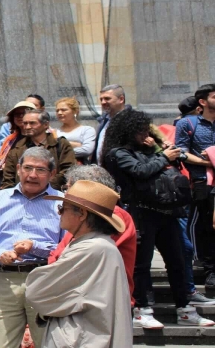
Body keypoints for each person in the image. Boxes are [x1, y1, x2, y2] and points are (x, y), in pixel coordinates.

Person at [103, 109, 215, 328]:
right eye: (141, 130)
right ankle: (142, 309)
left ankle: (185, 308)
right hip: (140, 213)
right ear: (129, 131)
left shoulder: (150, 150)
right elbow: (140, 171)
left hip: (166, 212)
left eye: (147, 129)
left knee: (178, 261)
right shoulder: (117, 153)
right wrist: (163, 157)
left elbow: (170, 173)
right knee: (141, 264)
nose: (145, 133)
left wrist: (159, 149)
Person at [25, 180, 132, 348]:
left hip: (83, 339)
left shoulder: (91, 249)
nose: (59, 213)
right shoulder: (98, 246)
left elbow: (37, 290)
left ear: (81, 213)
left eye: (62, 208)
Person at [0, 147, 64, 348]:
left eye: (40, 170)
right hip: (4, 279)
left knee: (49, 343)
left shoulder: (61, 202)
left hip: (45, 278)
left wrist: (35, 247)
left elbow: (66, 247)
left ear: (52, 174)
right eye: (28, 168)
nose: (32, 175)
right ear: (18, 169)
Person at [48, 165, 137, 303]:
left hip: (104, 302)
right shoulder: (81, 219)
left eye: (67, 188)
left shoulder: (112, 217)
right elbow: (57, 256)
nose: (65, 194)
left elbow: (77, 259)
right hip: (82, 298)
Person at [176, 84, 215, 289]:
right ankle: (209, 269)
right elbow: (181, 152)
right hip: (201, 181)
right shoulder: (188, 123)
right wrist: (207, 162)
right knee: (205, 225)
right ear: (203, 101)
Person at [1, 110, 76, 191]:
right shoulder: (17, 147)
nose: (27, 127)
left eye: (32, 123)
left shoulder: (60, 144)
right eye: (25, 123)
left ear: (46, 124)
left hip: (53, 196)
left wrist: (43, 185)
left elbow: (68, 170)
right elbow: (8, 178)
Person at [0, 101, 36, 181]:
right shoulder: (10, 140)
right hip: (11, 181)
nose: (20, 116)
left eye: (23, 113)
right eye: (16, 114)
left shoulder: (41, 137)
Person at [92, 84, 128, 164]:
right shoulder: (103, 121)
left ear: (121, 99)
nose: (103, 102)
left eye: (107, 99)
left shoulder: (131, 120)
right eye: (101, 99)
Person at [54, 97, 96, 163]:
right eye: (57, 110)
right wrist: (76, 145)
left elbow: (87, 150)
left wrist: (61, 146)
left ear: (75, 111)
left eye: (63, 110)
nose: (59, 113)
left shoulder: (87, 130)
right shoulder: (55, 132)